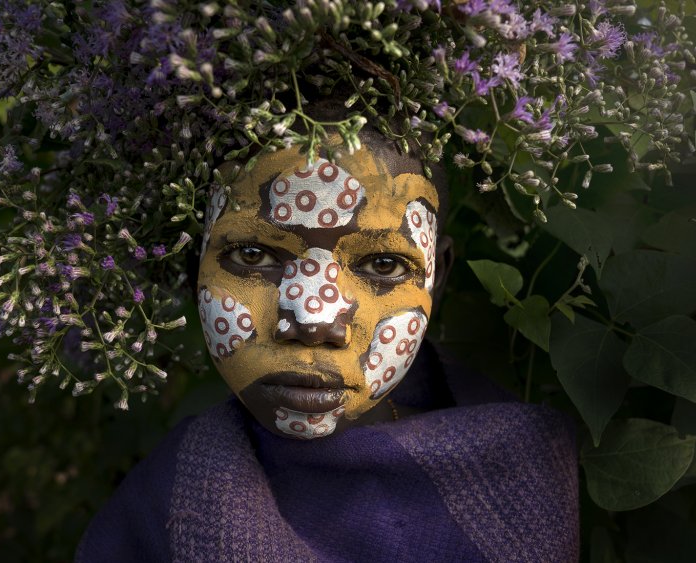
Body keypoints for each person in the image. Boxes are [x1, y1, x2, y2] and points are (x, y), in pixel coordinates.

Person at [74, 97, 580, 562]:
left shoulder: (523, 472)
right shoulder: (154, 513)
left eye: (383, 265)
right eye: (253, 255)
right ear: (195, 265)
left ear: (437, 276)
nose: (314, 321)